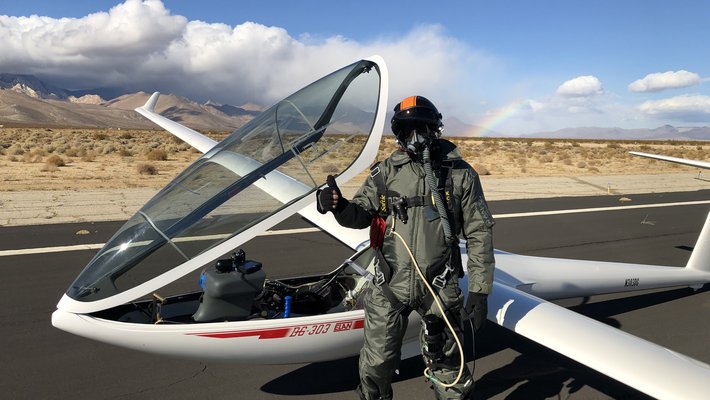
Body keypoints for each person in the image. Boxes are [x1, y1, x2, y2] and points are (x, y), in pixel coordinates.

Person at [317, 95, 495, 400]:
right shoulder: (385, 172)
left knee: (449, 367)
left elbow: (479, 231)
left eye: (422, 127)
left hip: (439, 286)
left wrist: (480, 290)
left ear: (434, 129)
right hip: (391, 284)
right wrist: (339, 205)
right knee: (375, 366)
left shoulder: (460, 174)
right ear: (399, 135)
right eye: (407, 130)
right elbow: (360, 215)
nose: (415, 137)